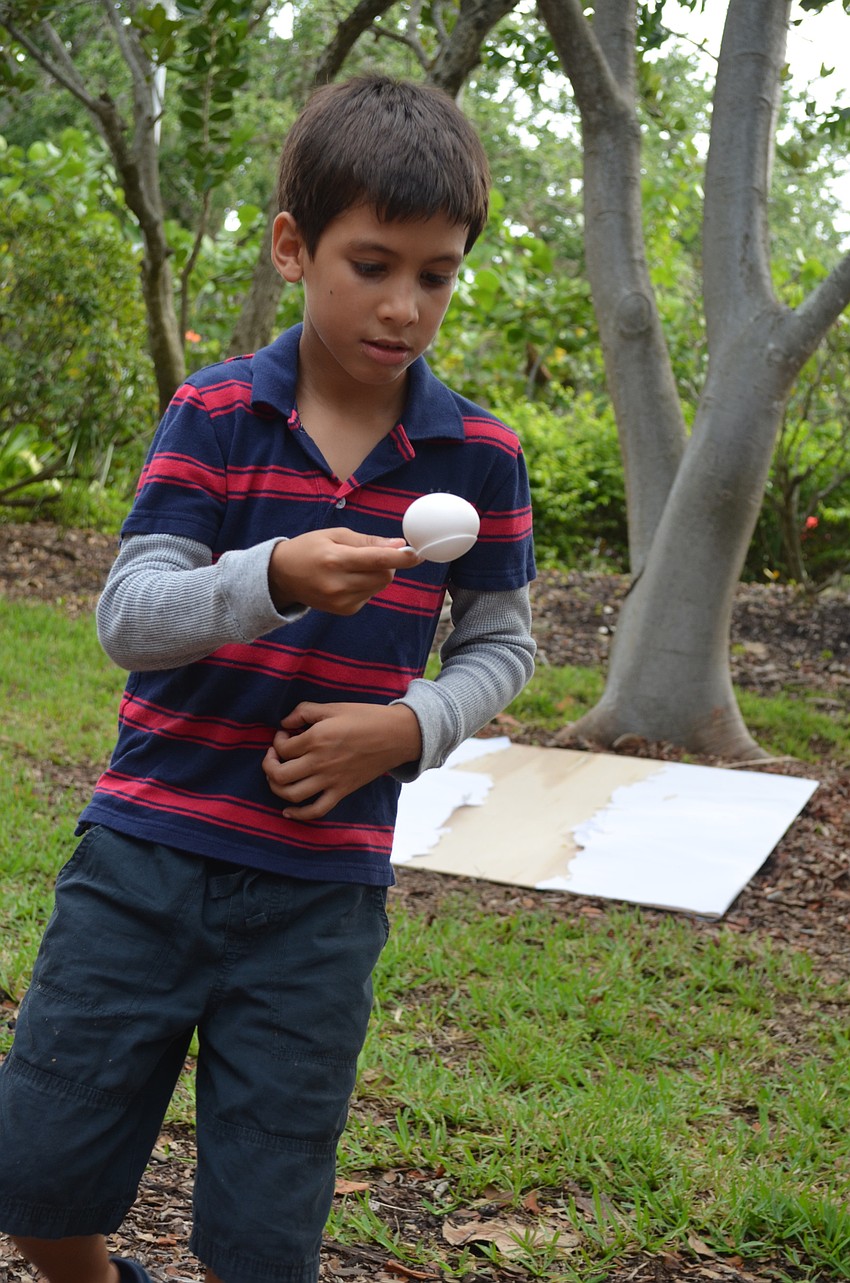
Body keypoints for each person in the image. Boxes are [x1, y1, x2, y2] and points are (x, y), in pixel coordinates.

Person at [0, 75, 536, 1283]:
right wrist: (276, 573)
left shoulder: (480, 456)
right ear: (293, 248)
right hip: (143, 858)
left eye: (435, 274)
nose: (404, 305)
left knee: (263, 1239)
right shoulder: (216, 413)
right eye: (372, 262)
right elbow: (130, 617)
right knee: (31, 1176)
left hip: (316, 896)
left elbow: (503, 645)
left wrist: (406, 728)